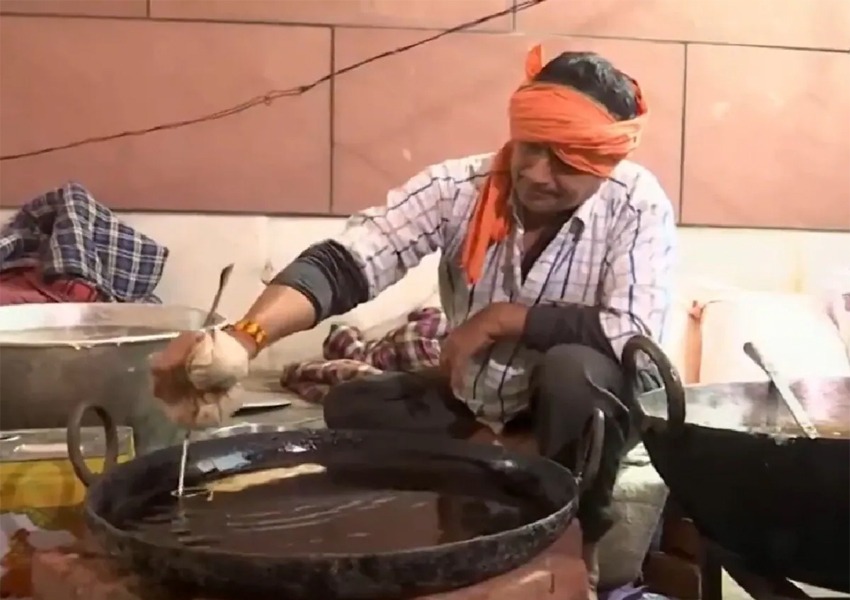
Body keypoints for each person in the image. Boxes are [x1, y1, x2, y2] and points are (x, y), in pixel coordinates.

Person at [151, 45, 676, 598]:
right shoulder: (460, 188)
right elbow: (350, 260)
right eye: (533, 147)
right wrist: (242, 340)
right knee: (351, 407)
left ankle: (575, 541)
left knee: (576, 371)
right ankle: (498, 455)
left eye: (568, 161)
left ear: (607, 163)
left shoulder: (636, 204)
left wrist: (502, 320)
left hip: (572, 406)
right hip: (484, 400)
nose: (539, 174)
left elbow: (633, 332)